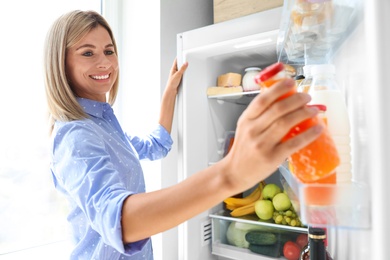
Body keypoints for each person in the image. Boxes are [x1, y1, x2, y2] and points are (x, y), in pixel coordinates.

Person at [44, 10, 323, 260]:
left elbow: (156, 145)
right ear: (61, 63)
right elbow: (121, 221)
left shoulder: (103, 124)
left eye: (109, 51)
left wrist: (171, 92)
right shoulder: (75, 135)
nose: (105, 63)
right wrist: (229, 174)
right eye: (87, 53)